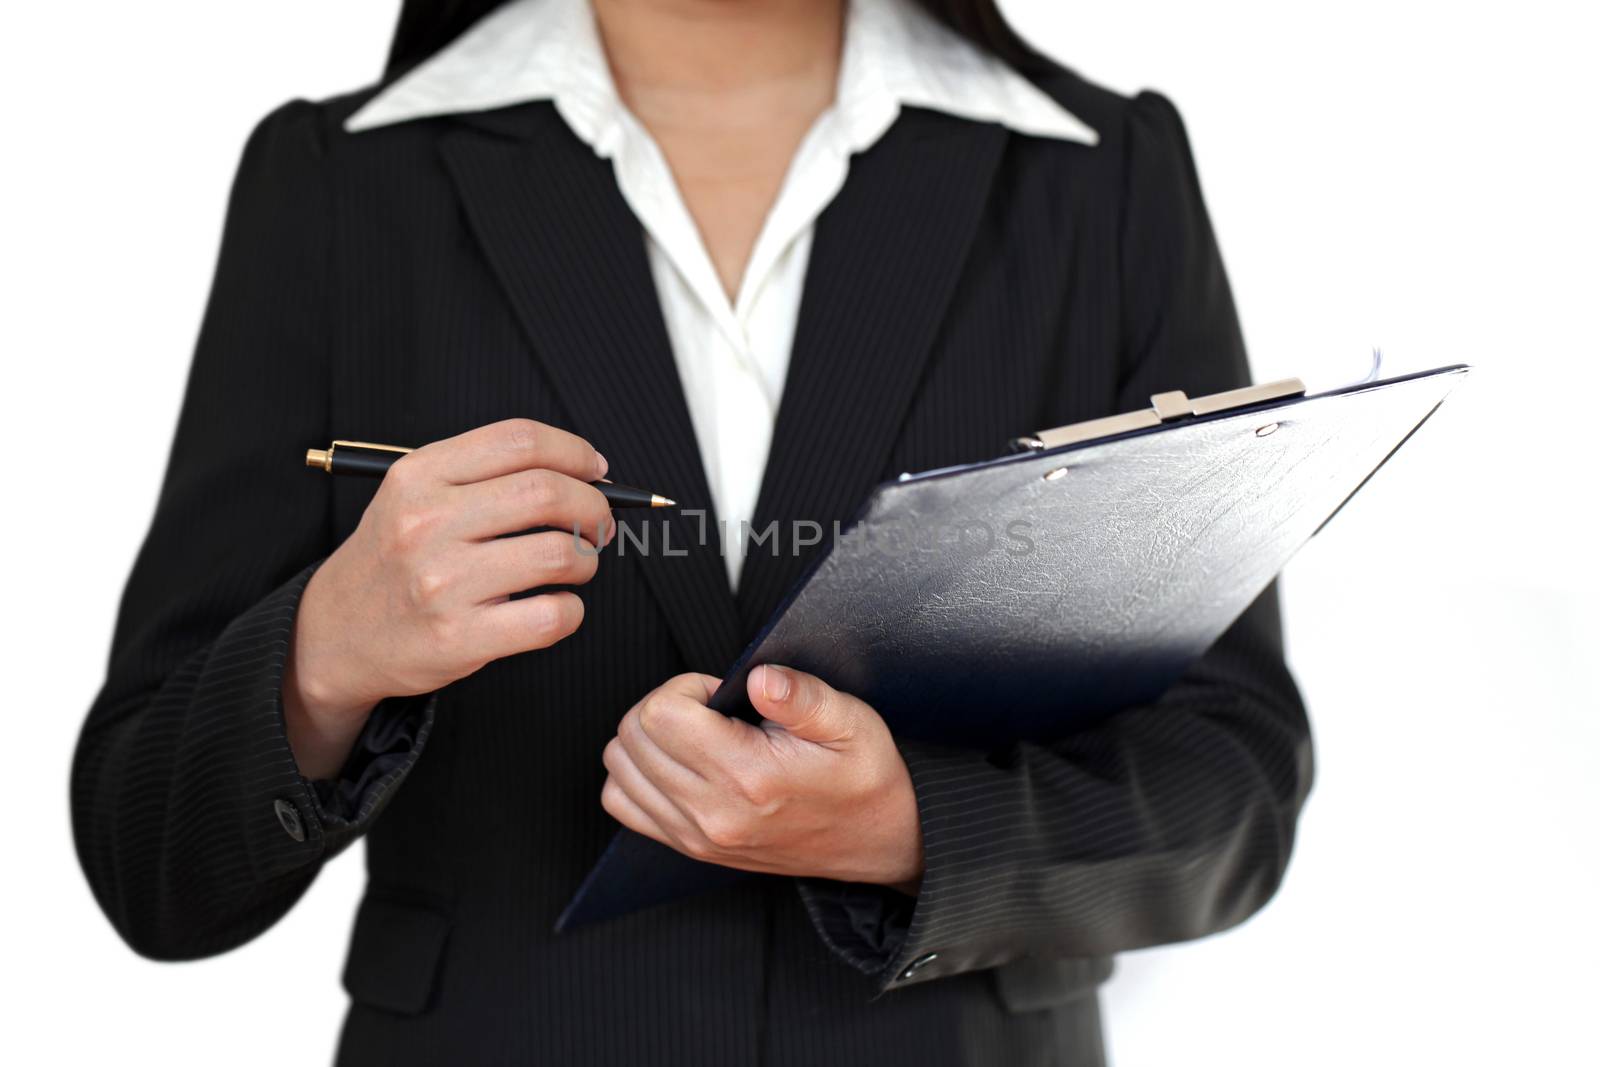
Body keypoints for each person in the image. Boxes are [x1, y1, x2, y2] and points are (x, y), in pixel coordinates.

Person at [70, 0, 1313, 1062]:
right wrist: (325, 656)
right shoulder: (344, 181)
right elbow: (148, 861)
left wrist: (908, 831)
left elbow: (1233, 778)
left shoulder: (1100, 171)